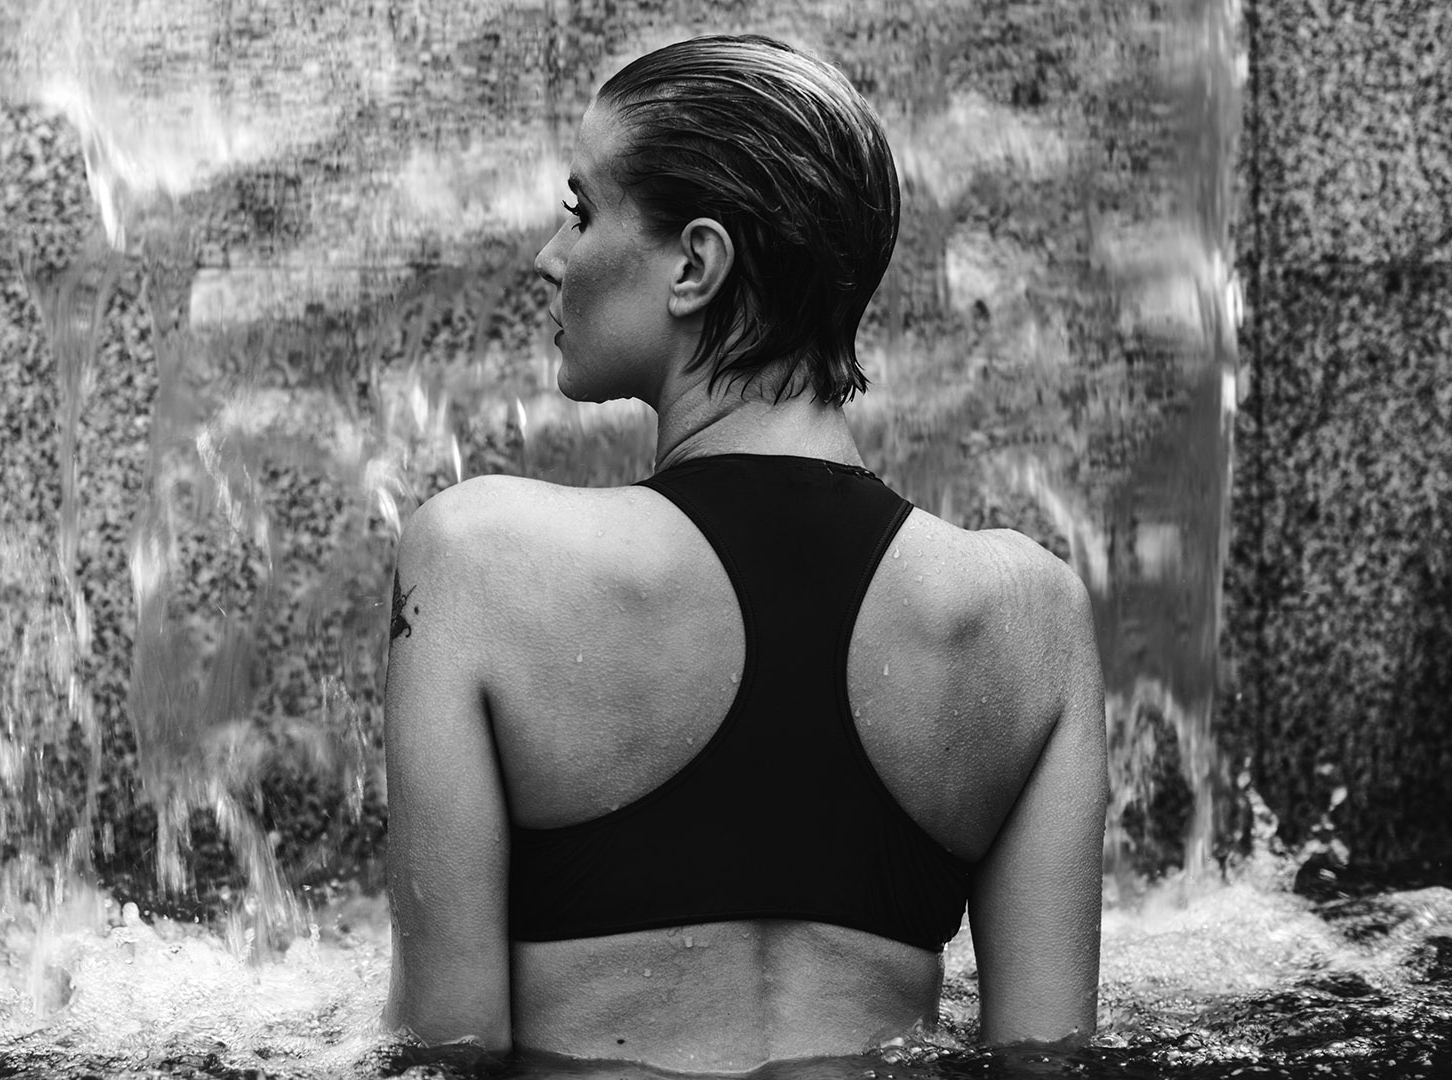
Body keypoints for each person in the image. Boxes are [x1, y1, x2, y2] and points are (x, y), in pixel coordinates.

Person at [380, 34, 1106, 1072]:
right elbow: (1047, 1061)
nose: (550, 256)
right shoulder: (1029, 614)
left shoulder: (477, 563)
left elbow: (444, 1050)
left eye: (582, 211)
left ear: (695, 265)